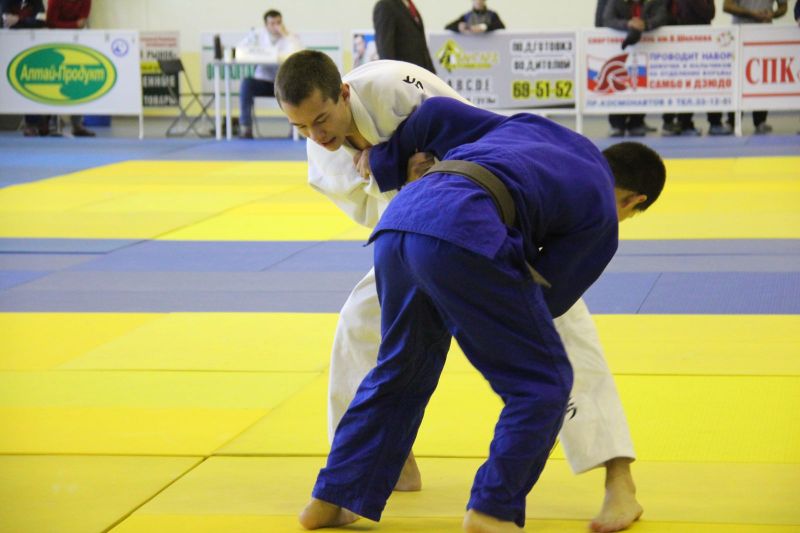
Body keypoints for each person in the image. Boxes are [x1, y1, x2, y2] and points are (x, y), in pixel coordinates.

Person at [276, 50, 655, 532]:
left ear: (342, 95)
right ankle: (492, 509)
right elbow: (546, 301)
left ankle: (335, 493)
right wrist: (477, 316)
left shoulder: (524, 125)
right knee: (542, 379)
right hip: (467, 230)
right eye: (303, 127)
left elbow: (438, 115)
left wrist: (391, 165)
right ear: (632, 201)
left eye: (320, 121)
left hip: (402, 230)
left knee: (398, 367)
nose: (314, 134)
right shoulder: (601, 211)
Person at [602, 0, 670, 137]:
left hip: (646, 51)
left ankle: (637, 122)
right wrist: (628, 24)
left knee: (641, 86)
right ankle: (617, 124)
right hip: (617, 51)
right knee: (617, 86)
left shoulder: (653, 2)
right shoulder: (616, 2)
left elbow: (662, 17)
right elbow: (607, 19)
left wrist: (645, 25)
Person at [720, 0, 787, 134]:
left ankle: (760, 120)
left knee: (762, 77)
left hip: (764, 34)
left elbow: (783, 7)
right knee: (738, 78)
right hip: (740, 34)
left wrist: (772, 14)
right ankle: (732, 121)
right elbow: (727, 6)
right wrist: (752, 14)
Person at [237, 9, 301, 139]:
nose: (276, 26)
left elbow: (298, 54)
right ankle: (246, 127)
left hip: (283, 84)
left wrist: (285, 35)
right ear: (266, 25)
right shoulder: (256, 35)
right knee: (247, 84)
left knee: (297, 86)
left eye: (279, 22)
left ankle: (296, 128)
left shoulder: (290, 36)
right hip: (263, 82)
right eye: (272, 23)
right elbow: (241, 49)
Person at [661, 0, 716, 136]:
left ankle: (687, 122)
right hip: (673, 40)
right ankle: (669, 122)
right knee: (672, 82)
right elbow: (663, 13)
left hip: (699, 40)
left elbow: (710, 13)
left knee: (695, 81)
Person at [46, 0, 96, 137]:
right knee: (52, 82)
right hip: (54, 43)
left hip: (77, 44)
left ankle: (77, 124)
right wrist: (73, 25)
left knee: (78, 81)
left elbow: (82, 23)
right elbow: (50, 23)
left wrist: (65, 25)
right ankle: (51, 122)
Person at [373, 0, 435, 73]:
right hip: (402, 75)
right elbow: (385, 50)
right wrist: (391, 75)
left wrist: (431, 72)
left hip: (419, 73)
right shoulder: (385, 5)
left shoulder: (409, 5)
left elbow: (422, 46)